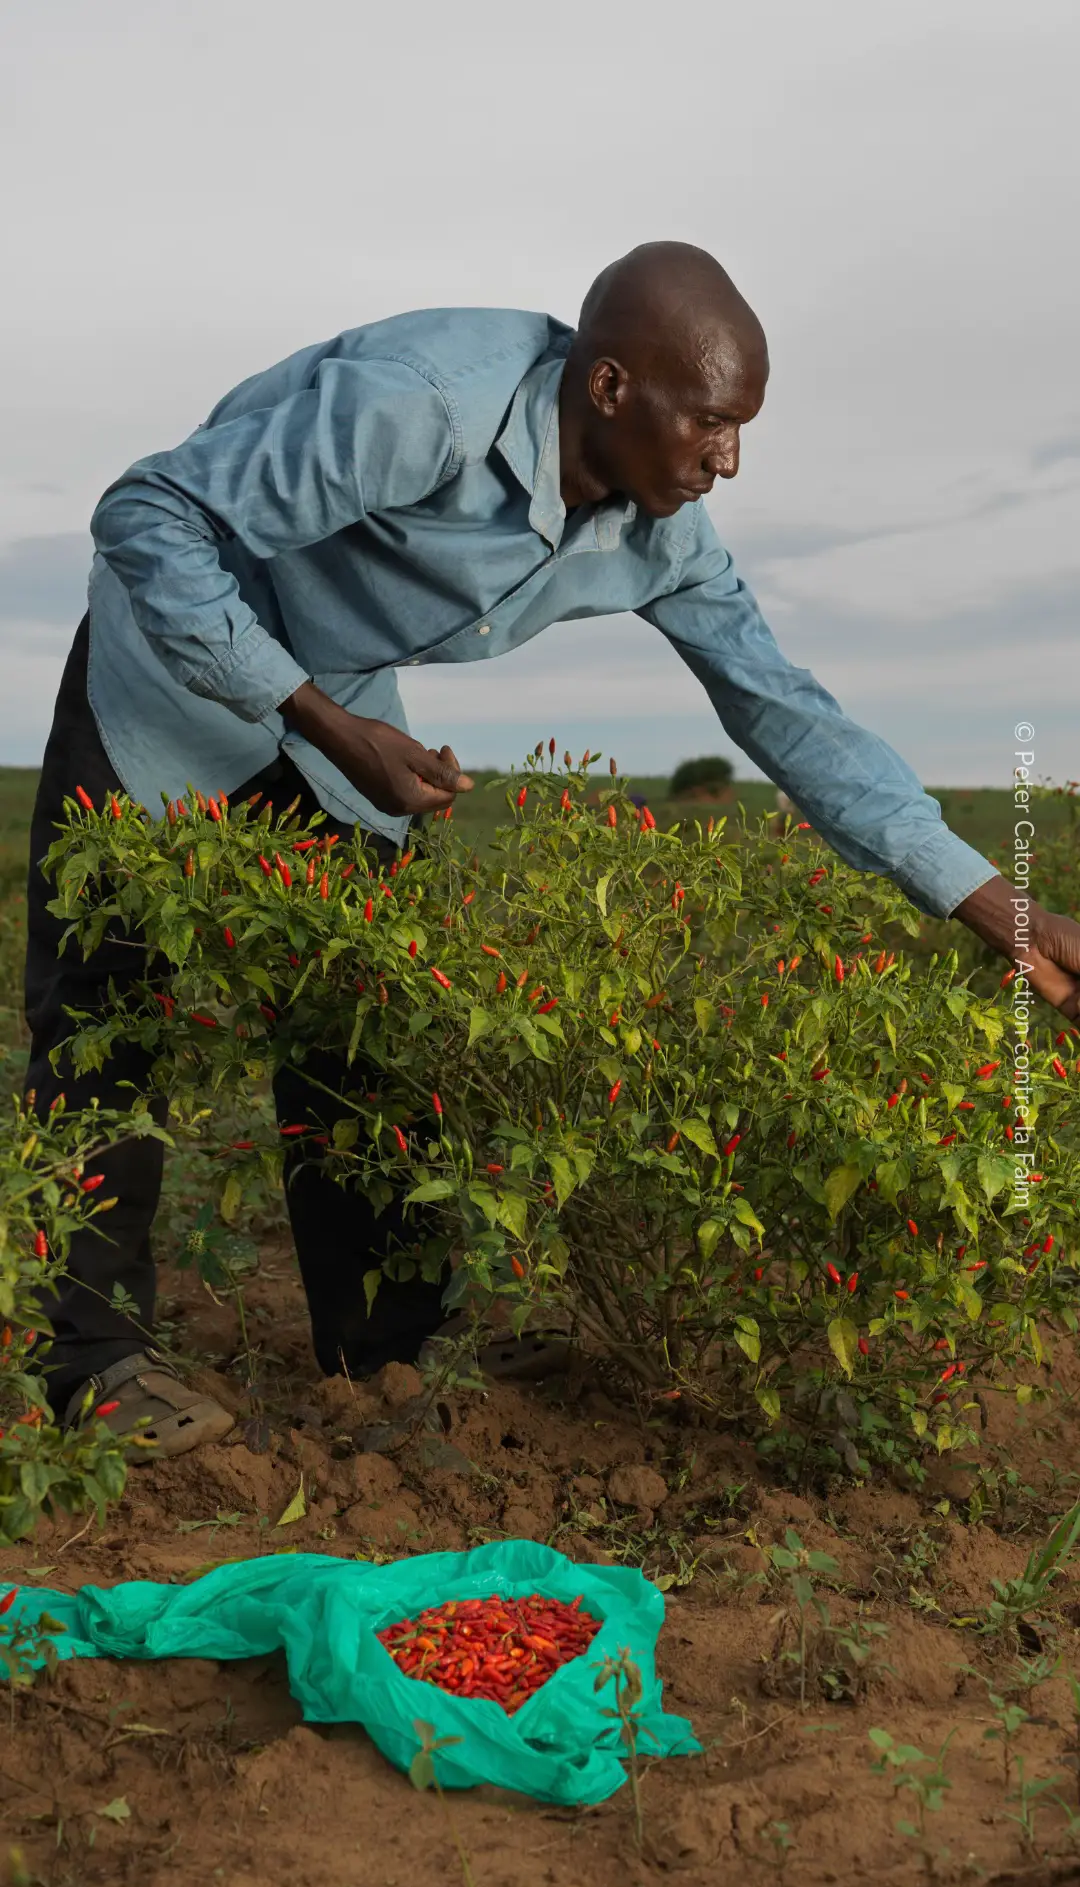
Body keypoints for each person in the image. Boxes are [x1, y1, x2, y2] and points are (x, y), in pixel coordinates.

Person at [26, 241, 1080, 1457]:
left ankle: (389, 1346)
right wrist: (318, 716)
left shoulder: (664, 536)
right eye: (713, 423)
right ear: (612, 388)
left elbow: (794, 720)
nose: (728, 459)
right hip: (166, 671)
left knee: (378, 1021)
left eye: (745, 430)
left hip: (341, 710)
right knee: (109, 1021)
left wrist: (1003, 911)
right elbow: (147, 512)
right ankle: (93, 1367)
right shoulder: (423, 403)